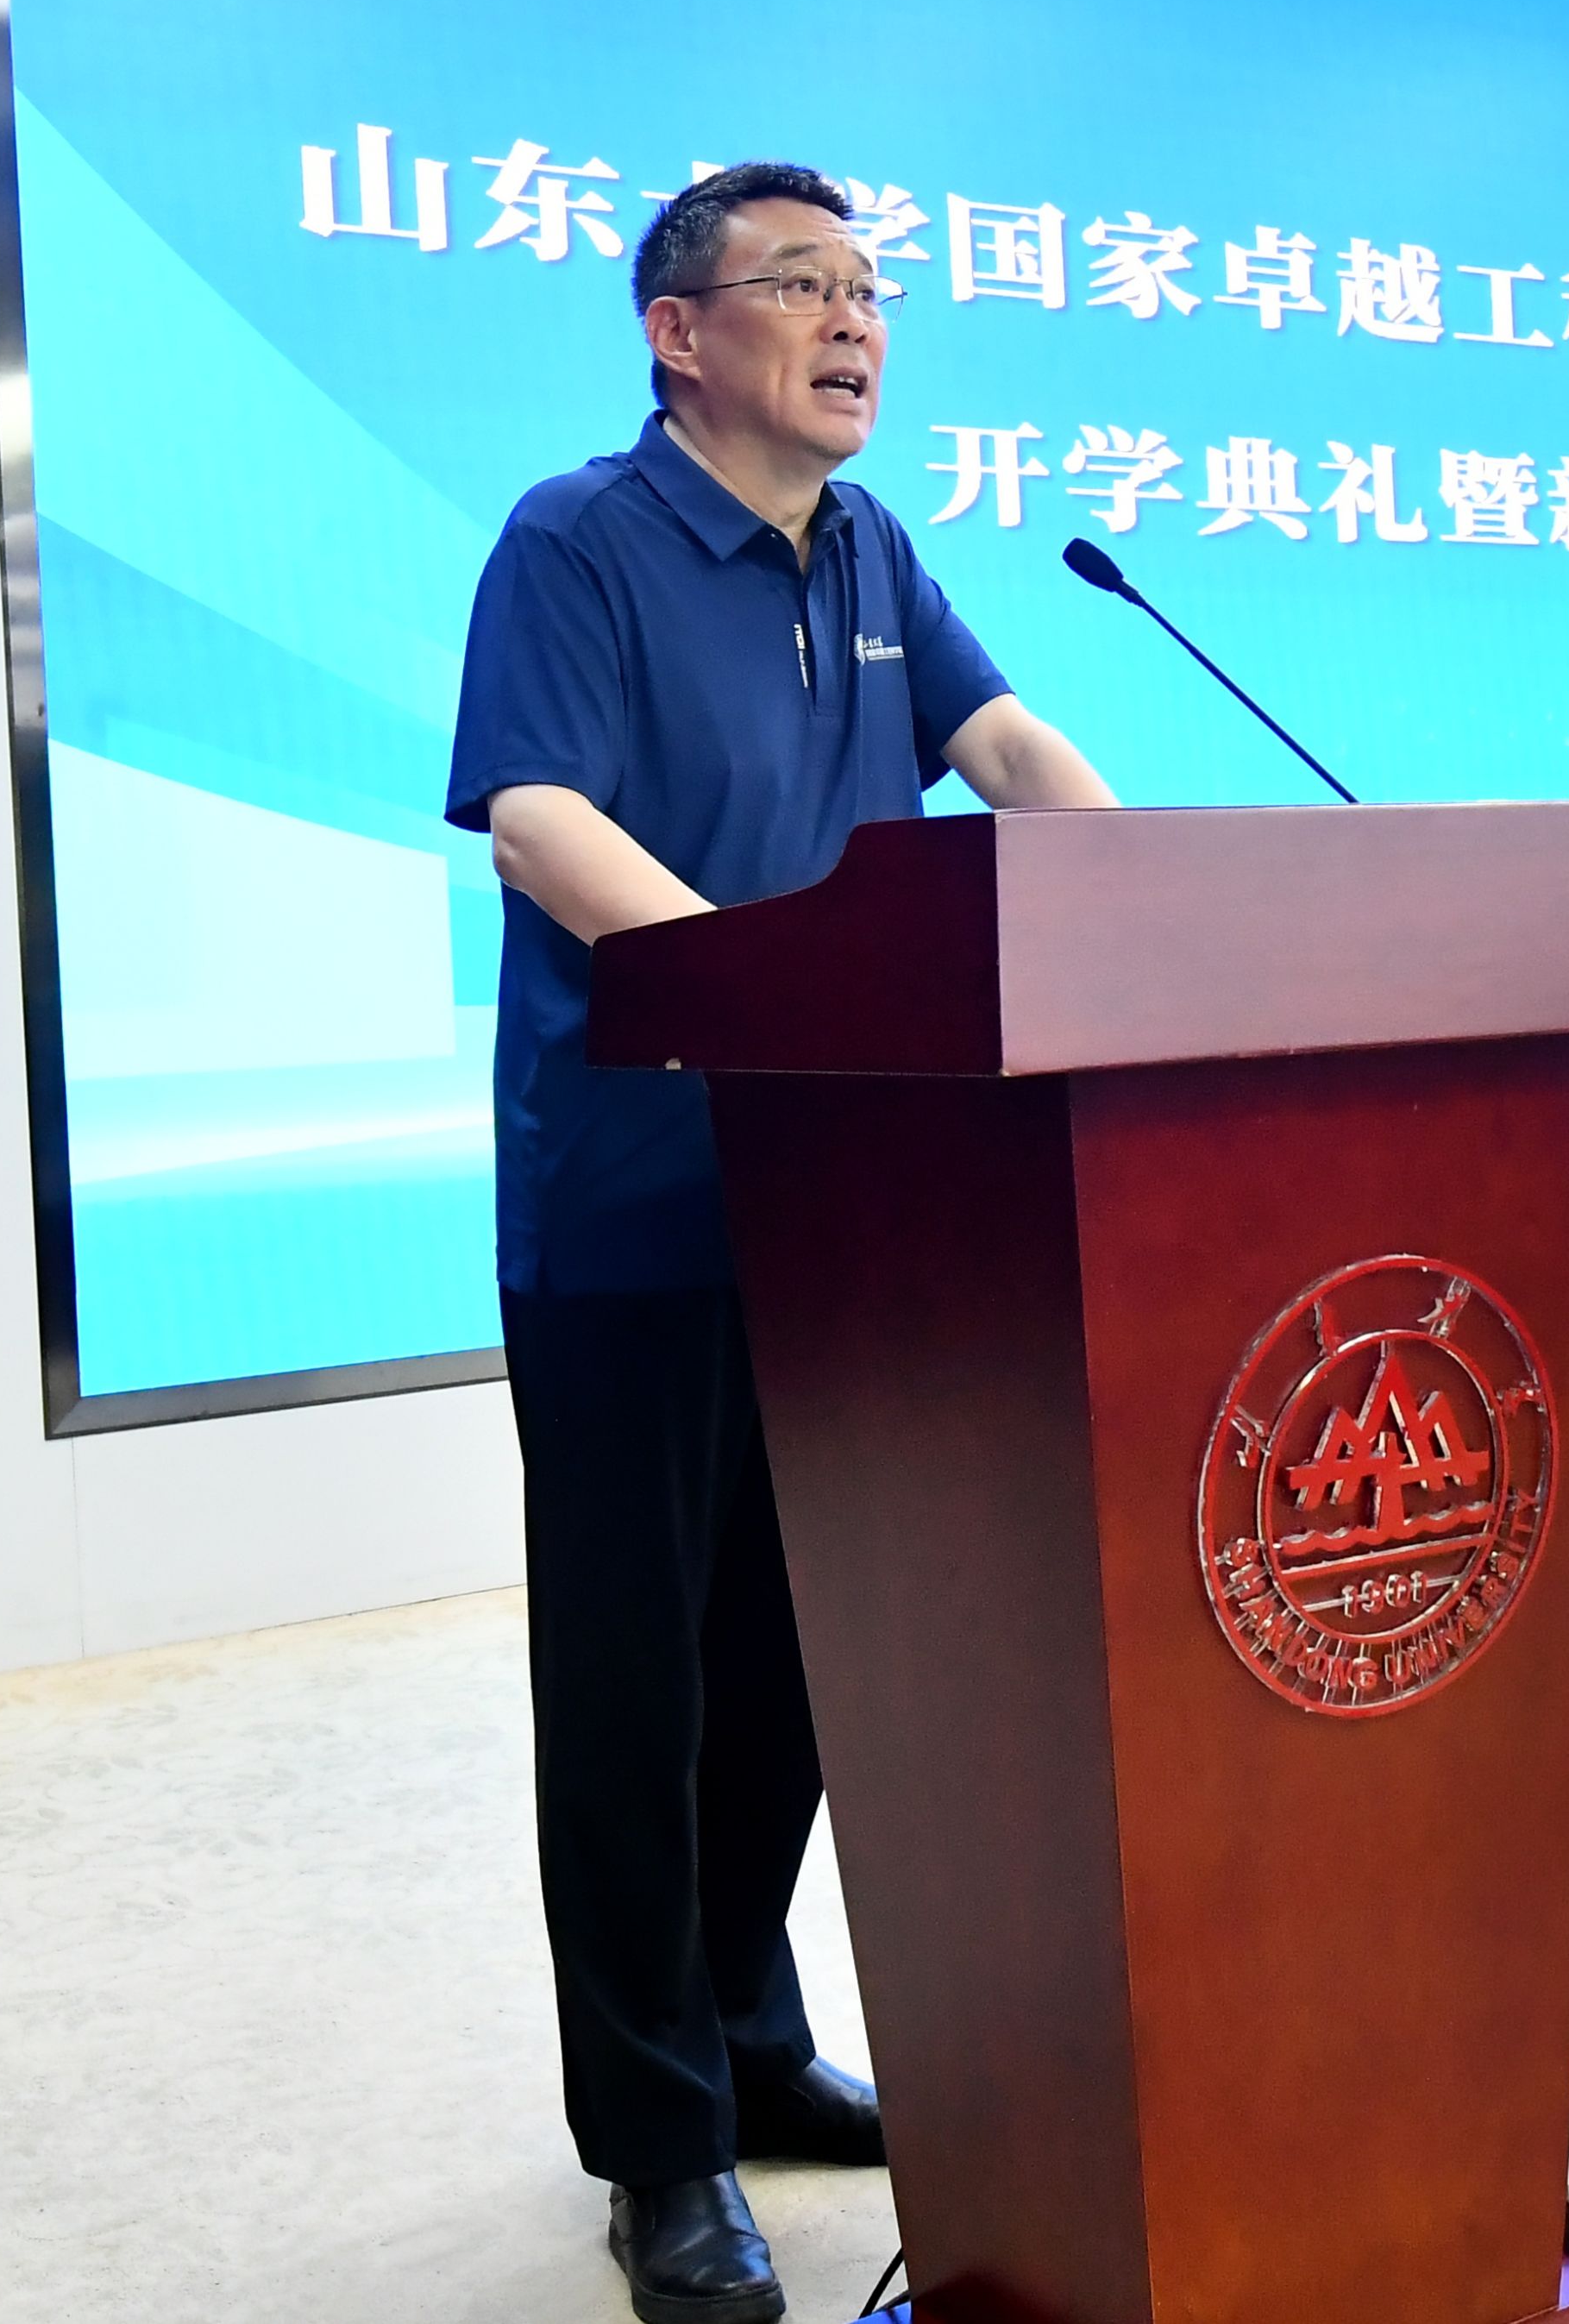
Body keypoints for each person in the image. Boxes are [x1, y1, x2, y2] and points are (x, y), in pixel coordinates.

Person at [444, 161, 1117, 2324]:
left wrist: (1149, 888)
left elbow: (998, 743)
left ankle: (742, 2033)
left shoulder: (874, 548)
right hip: (635, 1203)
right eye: (803, 283)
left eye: (871, 288)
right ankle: (658, 2139)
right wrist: (764, 991)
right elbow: (537, 818)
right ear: (677, 329)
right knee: (635, 1682)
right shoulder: (579, 539)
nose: (855, 323)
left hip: (859, 1204)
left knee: (807, 1656)